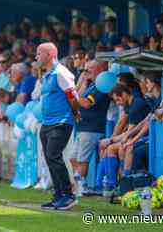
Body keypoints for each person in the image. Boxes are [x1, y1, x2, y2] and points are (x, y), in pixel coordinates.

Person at [36, 42, 80, 210]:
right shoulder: (47, 75)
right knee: (49, 158)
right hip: (47, 123)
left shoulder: (61, 73)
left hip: (61, 121)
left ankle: (68, 195)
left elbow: (72, 96)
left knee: (54, 155)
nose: (36, 57)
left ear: (49, 54)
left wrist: (75, 113)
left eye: (39, 53)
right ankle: (58, 195)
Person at [70, 60, 109, 196]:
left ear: (98, 70)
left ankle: (81, 186)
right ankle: (80, 184)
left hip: (92, 128)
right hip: (82, 127)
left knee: (82, 159)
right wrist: (81, 82)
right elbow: (76, 99)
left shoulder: (100, 87)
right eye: (84, 70)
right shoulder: (90, 85)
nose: (85, 73)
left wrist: (73, 95)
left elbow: (86, 103)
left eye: (88, 70)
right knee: (72, 157)